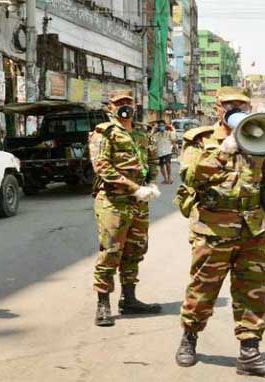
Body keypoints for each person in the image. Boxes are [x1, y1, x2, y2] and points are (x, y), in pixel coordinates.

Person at [174, 87, 265, 379]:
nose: (234, 109)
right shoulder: (200, 140)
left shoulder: (259, 137)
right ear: (217, 108)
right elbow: (189, 177)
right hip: (213, 229)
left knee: (256, 291)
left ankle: (250, 353)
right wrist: (221, 151)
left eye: (240, 105)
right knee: (203, 289)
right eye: (228, 105)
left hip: (253, 230)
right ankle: (189, 338)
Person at [88, 90, 163, 327]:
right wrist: (133, 187)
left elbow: (151, 159)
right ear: (110, 107)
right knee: (111, 251)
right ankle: (103, 304)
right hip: (114, 201)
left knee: (135, 249)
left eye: (128, 102)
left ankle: (129, 299)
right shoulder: (104, 133)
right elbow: (103, 168)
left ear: (134, 105)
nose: (124, 106)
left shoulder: (141, 132)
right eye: (119, 103)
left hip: (139, 202)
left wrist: (151, 181)